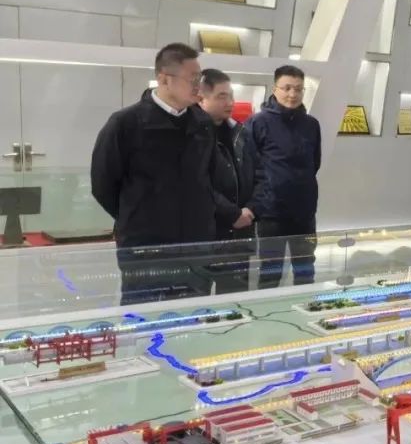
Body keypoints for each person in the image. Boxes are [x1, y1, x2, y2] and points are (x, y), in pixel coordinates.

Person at [90, 43, 217, 304]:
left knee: (192, 315)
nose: (199, 86)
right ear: (164, 79)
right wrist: (137, 216)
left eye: (200, 79)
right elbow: (103, 184)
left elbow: (209, 178)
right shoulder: (125, 124)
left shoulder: (202, 124)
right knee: (142, 316)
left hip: (195, 243)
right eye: (192, 79)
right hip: (145, 246)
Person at [247, 65, 321, 288]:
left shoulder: (311, 124)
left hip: (304, 212)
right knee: (270, 271)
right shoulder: (258, 122)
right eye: (287, 88)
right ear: (275, 89)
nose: (292, 94)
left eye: (298, 89)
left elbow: (315, 163)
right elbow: (249, 165)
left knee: (305, 268)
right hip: (271, 213)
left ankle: (305, 305)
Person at [199, 69, 257, 293]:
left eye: (231, 95)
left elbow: (260, 174)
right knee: (195, 303)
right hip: (204, 235)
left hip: (240, 234)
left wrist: (251, 209)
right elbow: (196, 185)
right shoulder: (191, 136)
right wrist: (232, 214)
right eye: (221, 96)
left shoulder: (241, 133)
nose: (230, 102)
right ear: (201, 98)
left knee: (235, 301)